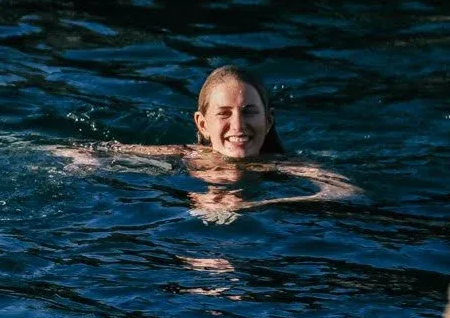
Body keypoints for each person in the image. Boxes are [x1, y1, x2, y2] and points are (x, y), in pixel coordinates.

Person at [53, 65, 360, 222]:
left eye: (249, 112)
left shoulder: (284, 166)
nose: (238, 126)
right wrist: (83, 162)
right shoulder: (185, 154)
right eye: (224, 114)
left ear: (268, 121)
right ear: (202, 124)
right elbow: (94, 151)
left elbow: (345, 192)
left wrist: (260, 204)